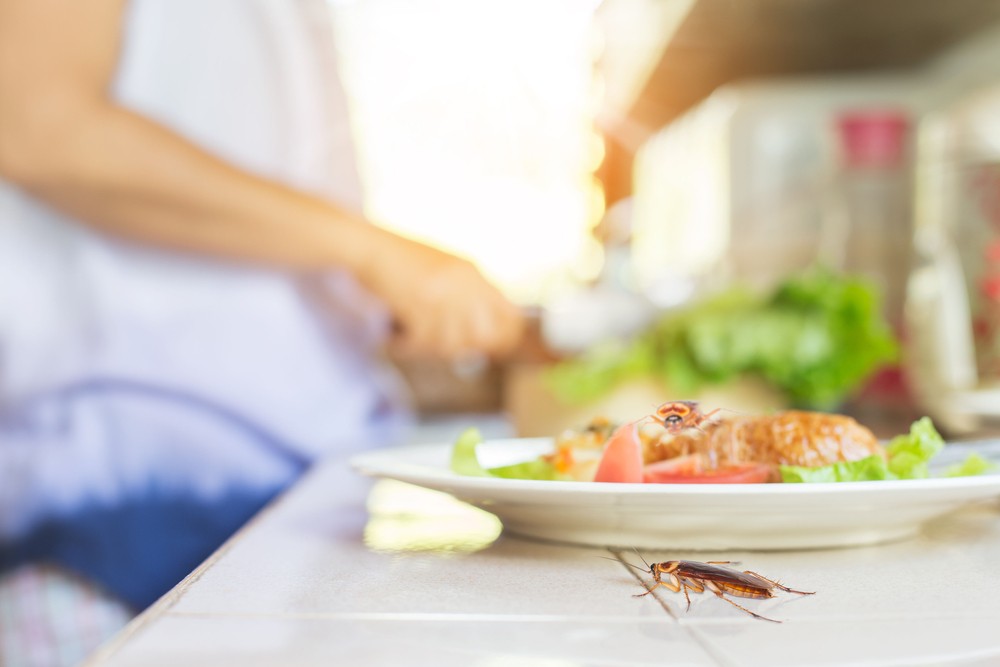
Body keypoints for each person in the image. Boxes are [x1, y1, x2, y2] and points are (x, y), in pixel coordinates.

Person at [0, 1, 526, 664]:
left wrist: (362, 313)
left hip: (269, 501)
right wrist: (370, 252)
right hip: (116, 527)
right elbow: (37, 124)